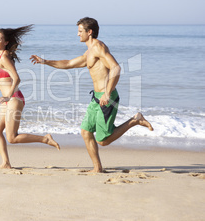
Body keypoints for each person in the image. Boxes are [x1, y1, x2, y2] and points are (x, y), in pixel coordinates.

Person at [30, 17, 153, 173]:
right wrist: (45, 61)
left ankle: (135, 120)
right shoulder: (89, 52)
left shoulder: (98, 47)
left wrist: (107, 93)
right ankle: (97, 168)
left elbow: (116, 68)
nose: (77, 34)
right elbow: (68, 64)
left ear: (90, 32)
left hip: (107, 98)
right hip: (96, 97)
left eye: (80, 31)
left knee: (103, 140)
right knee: (85, 131)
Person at [0, 25, 60, 169]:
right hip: (8, 99)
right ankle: (6, 163)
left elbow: (17, 78)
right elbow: (8, 79)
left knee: (12, 137)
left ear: (6, 42)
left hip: (14, 99)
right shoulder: (1, 56)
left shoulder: (4, 57)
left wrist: (8, 96)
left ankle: (45, 139)